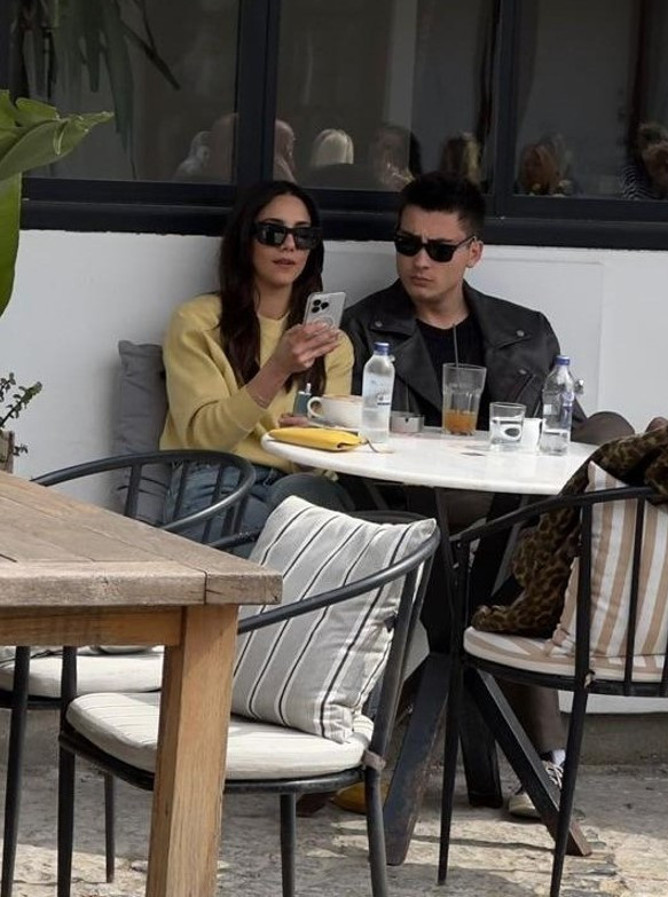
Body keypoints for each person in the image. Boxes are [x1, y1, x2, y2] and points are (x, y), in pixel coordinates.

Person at [342, 171, 632, 818]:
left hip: (513, 509)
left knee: (609, 433)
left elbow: (567, 430)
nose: (419, 260)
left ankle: (390, 752)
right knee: (531, 558)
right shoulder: (367, 326)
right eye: (407, 243)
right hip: (414, 505)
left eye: (439, 248)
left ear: (473, 252)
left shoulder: (525, 331)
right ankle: (547, 760)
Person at [160, 179, 353, 537]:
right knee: (264, 562)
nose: (289, 245)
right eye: (272, 233)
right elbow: (205, 441)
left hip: (298, 485)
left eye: (304, 235)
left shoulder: (332, 343)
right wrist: (278, 368)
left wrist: (311, 446)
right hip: (220, 476)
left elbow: (328, 461)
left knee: (321, 518)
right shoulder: (198, 322)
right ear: (245, 239)